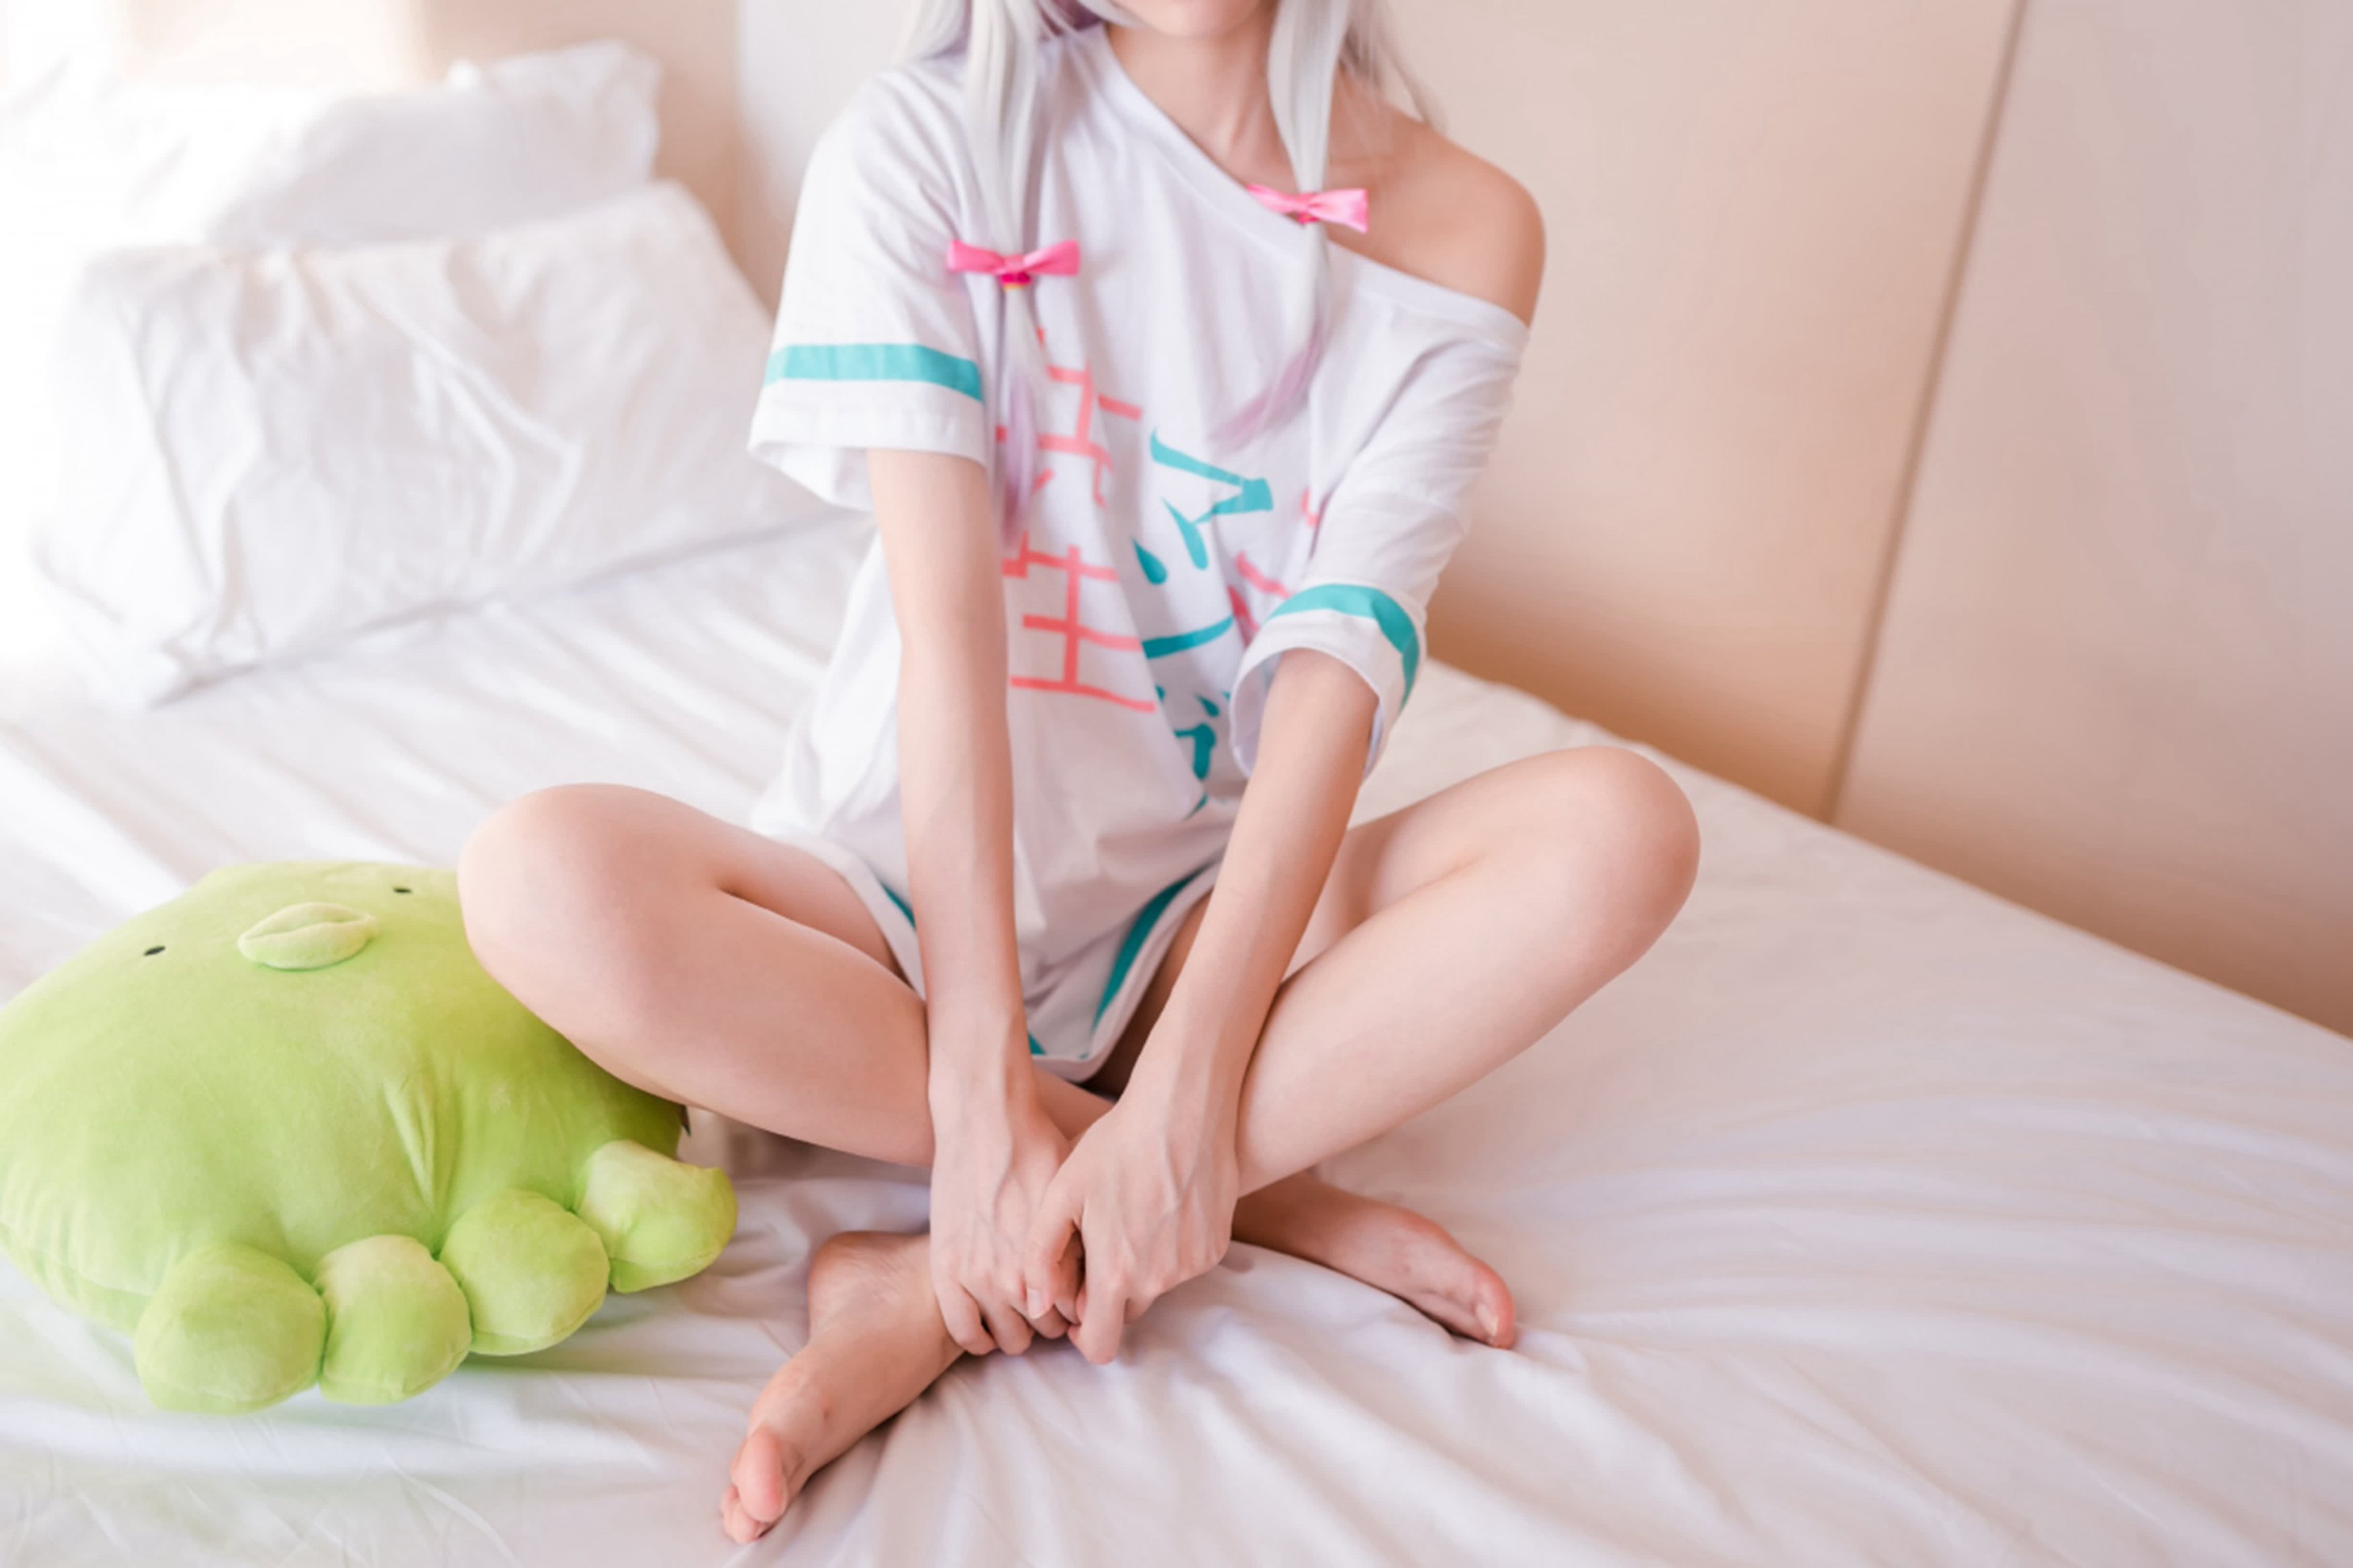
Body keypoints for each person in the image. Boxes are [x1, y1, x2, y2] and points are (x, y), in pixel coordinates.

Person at [458, 0, 1700, 1544]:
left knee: (1618, 832)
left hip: (1187, 925)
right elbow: (950, 635)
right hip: (885, 908)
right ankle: (1224, 1183)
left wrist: (1191, 1080)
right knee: (541, 879)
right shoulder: (926, 143)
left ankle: (957, 1271)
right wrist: (977, 1082)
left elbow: (1335, 674)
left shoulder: (1464, 227)